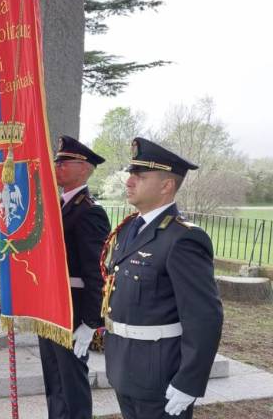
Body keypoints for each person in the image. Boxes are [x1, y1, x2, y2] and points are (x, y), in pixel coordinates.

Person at [103, 137, 223, 418]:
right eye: (131, 174)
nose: (129, 182)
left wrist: (189, 381)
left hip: (159, 376)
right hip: (123, 366)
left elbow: (204, 315)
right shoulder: (129, 229)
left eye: (140, 176)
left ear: (166, 185)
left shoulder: (183, 238)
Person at [39, 135, 111, 419]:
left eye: (63, 163)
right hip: (51, 305)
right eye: (56, 162)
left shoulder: (90, 212)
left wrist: (91, 322)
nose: (56, 167)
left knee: (71, 380)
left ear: (83, 169)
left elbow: (97, 273)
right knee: (53, 377)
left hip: (73, 308)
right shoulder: (57, 205)